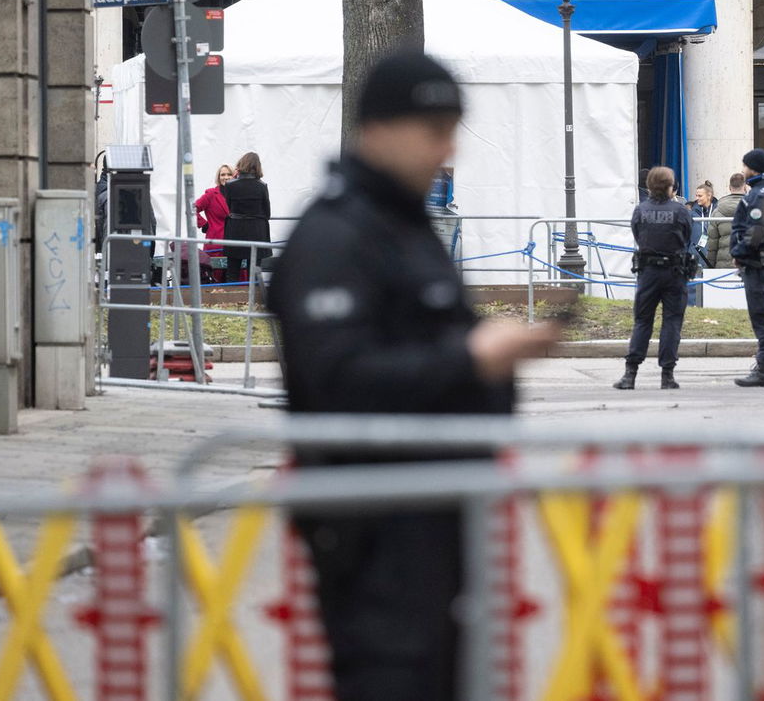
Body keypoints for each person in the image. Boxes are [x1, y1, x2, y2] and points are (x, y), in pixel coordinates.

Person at [270, 47, 556, 701]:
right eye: (434, 133)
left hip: (437, 516)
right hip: (374, 528)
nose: (447, 152)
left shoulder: (405, 227)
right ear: (378, 129)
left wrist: (483, 354)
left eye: (453, 132)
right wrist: (473, 358)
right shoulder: (335, 237)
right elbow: (337, 377)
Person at [614, 166, 693, 391]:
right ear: (671, 186)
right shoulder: (680, 211)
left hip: (648, 272)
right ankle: (667, 375)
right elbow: (686, 238)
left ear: (649, 186)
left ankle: (630, 374)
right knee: (672, 322)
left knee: (642, 321)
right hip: (674, 272)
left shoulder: (641, 210)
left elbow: (638, 235)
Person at [731, 149, 764, 388]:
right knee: (761, 315)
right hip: (761, 262)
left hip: (759, 263)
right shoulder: (763, 191)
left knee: (761, 316)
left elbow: (756, 231)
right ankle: (763, 366)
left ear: (752, 167)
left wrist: (739, 254)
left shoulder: (760, 193)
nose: (743, 169)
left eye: (745, 166)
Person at [221, 151, 271, 281]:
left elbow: (229, 206)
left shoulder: (230, 185)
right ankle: (253, 300)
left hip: (235, 230)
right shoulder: (262, 186)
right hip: (257, 231)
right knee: (253, 272)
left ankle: (229, 300)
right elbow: (267, 212)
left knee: (232, 271)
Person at [195, 164, 234, 283]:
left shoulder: (237, 194)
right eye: (223, 174)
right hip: (216, 242)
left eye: (229, 174)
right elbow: (192, 208)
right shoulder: (211, 194)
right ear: (218, 177)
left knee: (234, 278)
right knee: (214, 279)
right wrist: (203, 223)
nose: (226, 177)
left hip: (234, 241)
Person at [706, 174, 747, 268]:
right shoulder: (753, 209)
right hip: (747, 266)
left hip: (723, 267)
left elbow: (712, 245)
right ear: (745, 187)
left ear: (729, 187)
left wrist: (710, 266)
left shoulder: (717, 211)